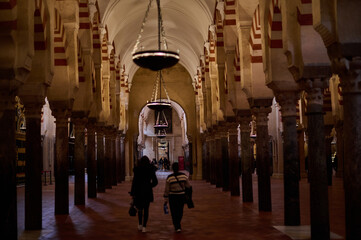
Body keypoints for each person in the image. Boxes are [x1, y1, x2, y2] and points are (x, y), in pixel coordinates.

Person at [130, 156, 158, 233]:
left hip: (138, 191)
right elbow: (155, 182)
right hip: (147, 191)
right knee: (146, 209)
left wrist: (132, 193)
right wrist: (149, 185)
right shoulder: (150, 169)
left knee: (139, 209)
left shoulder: (137, 169)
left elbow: (134, 182)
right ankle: (144, 226)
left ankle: (140, 224)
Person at [163, 162, 191, 232]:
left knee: (173, 211)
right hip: (181, 196)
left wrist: (166, 198)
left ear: (172, 168)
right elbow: (188, 186)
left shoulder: (170, 177)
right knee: (180, 210)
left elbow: (167, 189)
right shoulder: (183, 176)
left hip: (172, 196)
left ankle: (176, 225)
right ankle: (178, 223)